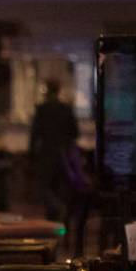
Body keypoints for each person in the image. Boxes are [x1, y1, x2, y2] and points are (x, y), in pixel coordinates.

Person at [28, 79, 80, 224]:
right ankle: (60, 218)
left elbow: (35, 134)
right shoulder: (66, 109)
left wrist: (31, 154)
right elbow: (75, 133)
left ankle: (54, 211)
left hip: (46, 153)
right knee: (59, 188)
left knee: (44, 187)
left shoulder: (42, 109)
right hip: (63, 155)